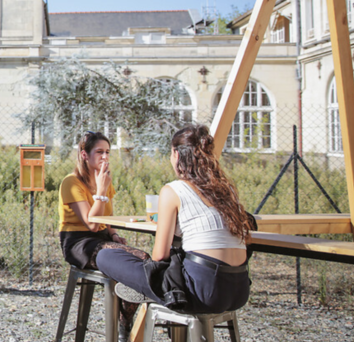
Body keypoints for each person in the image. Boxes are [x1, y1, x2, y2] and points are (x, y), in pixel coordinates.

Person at [96, 124, 252, 314]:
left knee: (105, 255)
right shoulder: (226, 192)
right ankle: (150, 289)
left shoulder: (174, 190)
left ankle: (150, 290)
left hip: (202, 293)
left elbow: (159, 255)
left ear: (176, 155)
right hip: (239, 291)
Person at [57, 131, 147, 340]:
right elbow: (91, 223)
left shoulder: (103, 180)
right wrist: (101, 190)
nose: (105, 157)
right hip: (79, 241)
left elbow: (107, 216)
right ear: (84, 155)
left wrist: (114, 234)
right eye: (99, 152)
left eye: (107, 152)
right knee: (138, 261)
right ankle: (124, 334)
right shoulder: (71, 183)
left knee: (140, 260)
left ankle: (125, 324)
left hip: (102, 237)